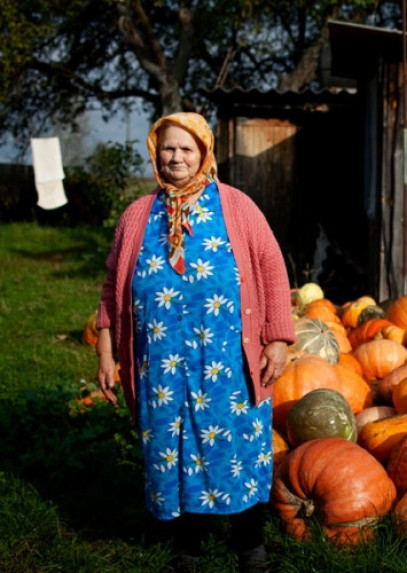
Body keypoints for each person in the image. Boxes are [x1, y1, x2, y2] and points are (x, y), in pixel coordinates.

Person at [95, 112, 295, 572]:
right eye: (168, 148)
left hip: (227, 361)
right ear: (155, 152)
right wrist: (106, 350)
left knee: (238, 447)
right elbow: (112, 287)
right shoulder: (137, 215)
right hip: (160, 365)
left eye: (187, 148)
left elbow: (271, 268)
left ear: (204, 152)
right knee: (172, 448)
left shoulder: (237, 207)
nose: (176, 157)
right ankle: (188, 548)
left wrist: (278, 338)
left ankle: (250, 545)